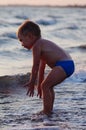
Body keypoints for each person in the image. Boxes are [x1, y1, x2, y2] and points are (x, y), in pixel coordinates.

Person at [17, 20, 75, 116]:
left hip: (63, 64)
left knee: (46, 86)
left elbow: (35, 66)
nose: (22, 44)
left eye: (21, 40)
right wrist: (39, 85)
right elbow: (41, 68)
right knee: (48, 86)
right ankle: (49, 110)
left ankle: (46, 111)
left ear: (30, 36)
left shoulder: (37, 46)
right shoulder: (42, 44)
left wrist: (32, 83)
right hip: (68, 64)